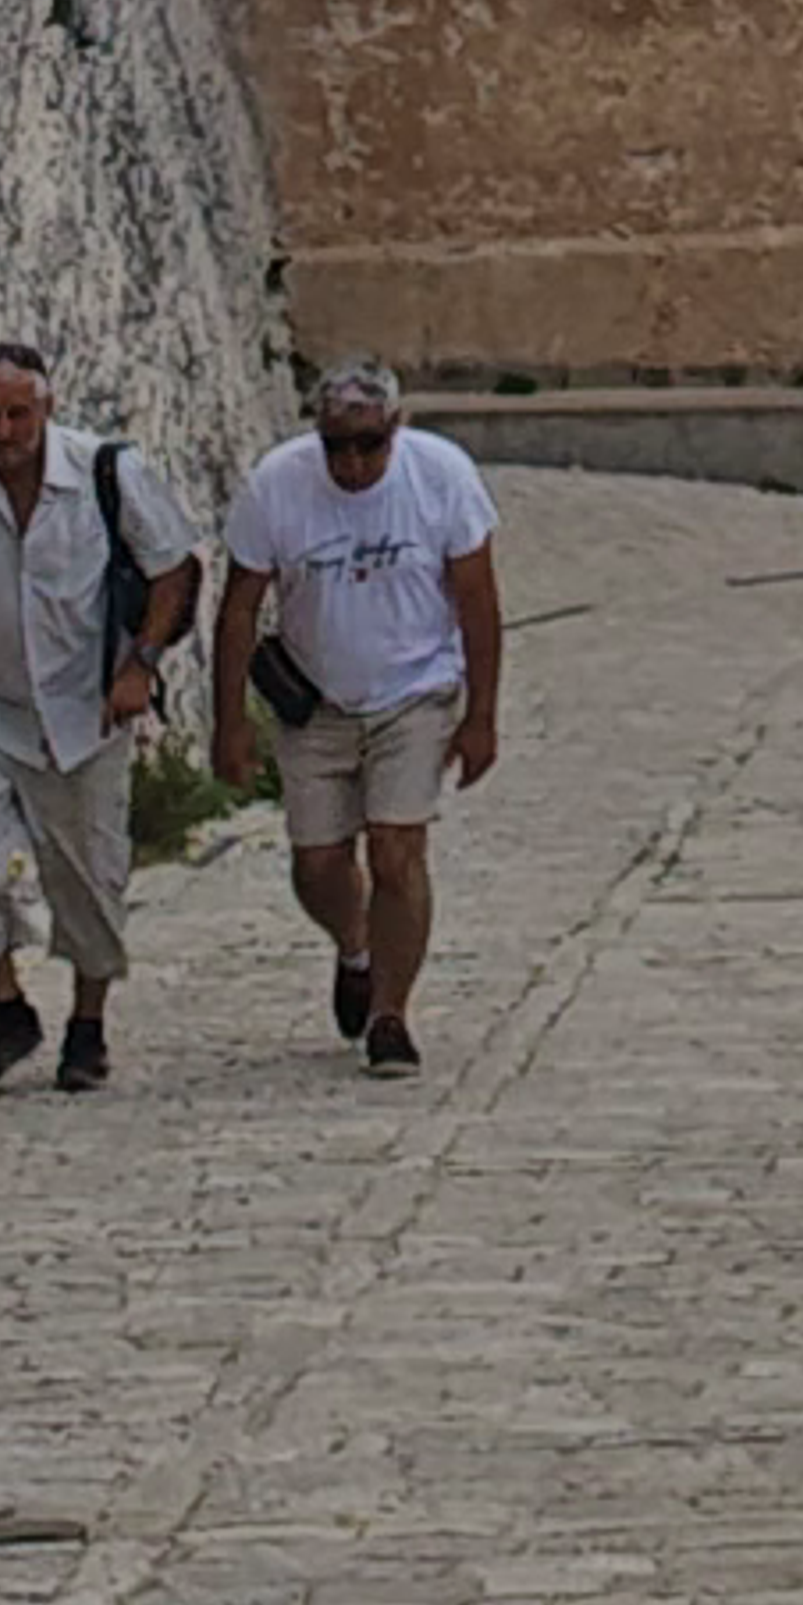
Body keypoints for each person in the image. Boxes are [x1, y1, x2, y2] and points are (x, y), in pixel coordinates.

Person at [0, 345, 203, 1098]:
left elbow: (174, 567)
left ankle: (87, 1024)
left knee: (88, 871)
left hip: (84, 700)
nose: (4, 428)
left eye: (18, 412)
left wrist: (140, 663)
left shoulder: (102, 473)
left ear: (46, 409)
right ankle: (5, 1002)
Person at [211, 363, 501, 1075]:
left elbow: (476, 599)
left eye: (368, 445)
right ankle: (356, 945)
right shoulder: (279, 484)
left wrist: (481, 716)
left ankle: (391, 1015)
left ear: (395, 431)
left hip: (416, 690)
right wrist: (228, 721)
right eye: (337, 445)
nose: (351, 462)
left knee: (397, 850)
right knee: (317, 863)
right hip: (317, 699)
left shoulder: (441, 478)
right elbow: (241, 604)